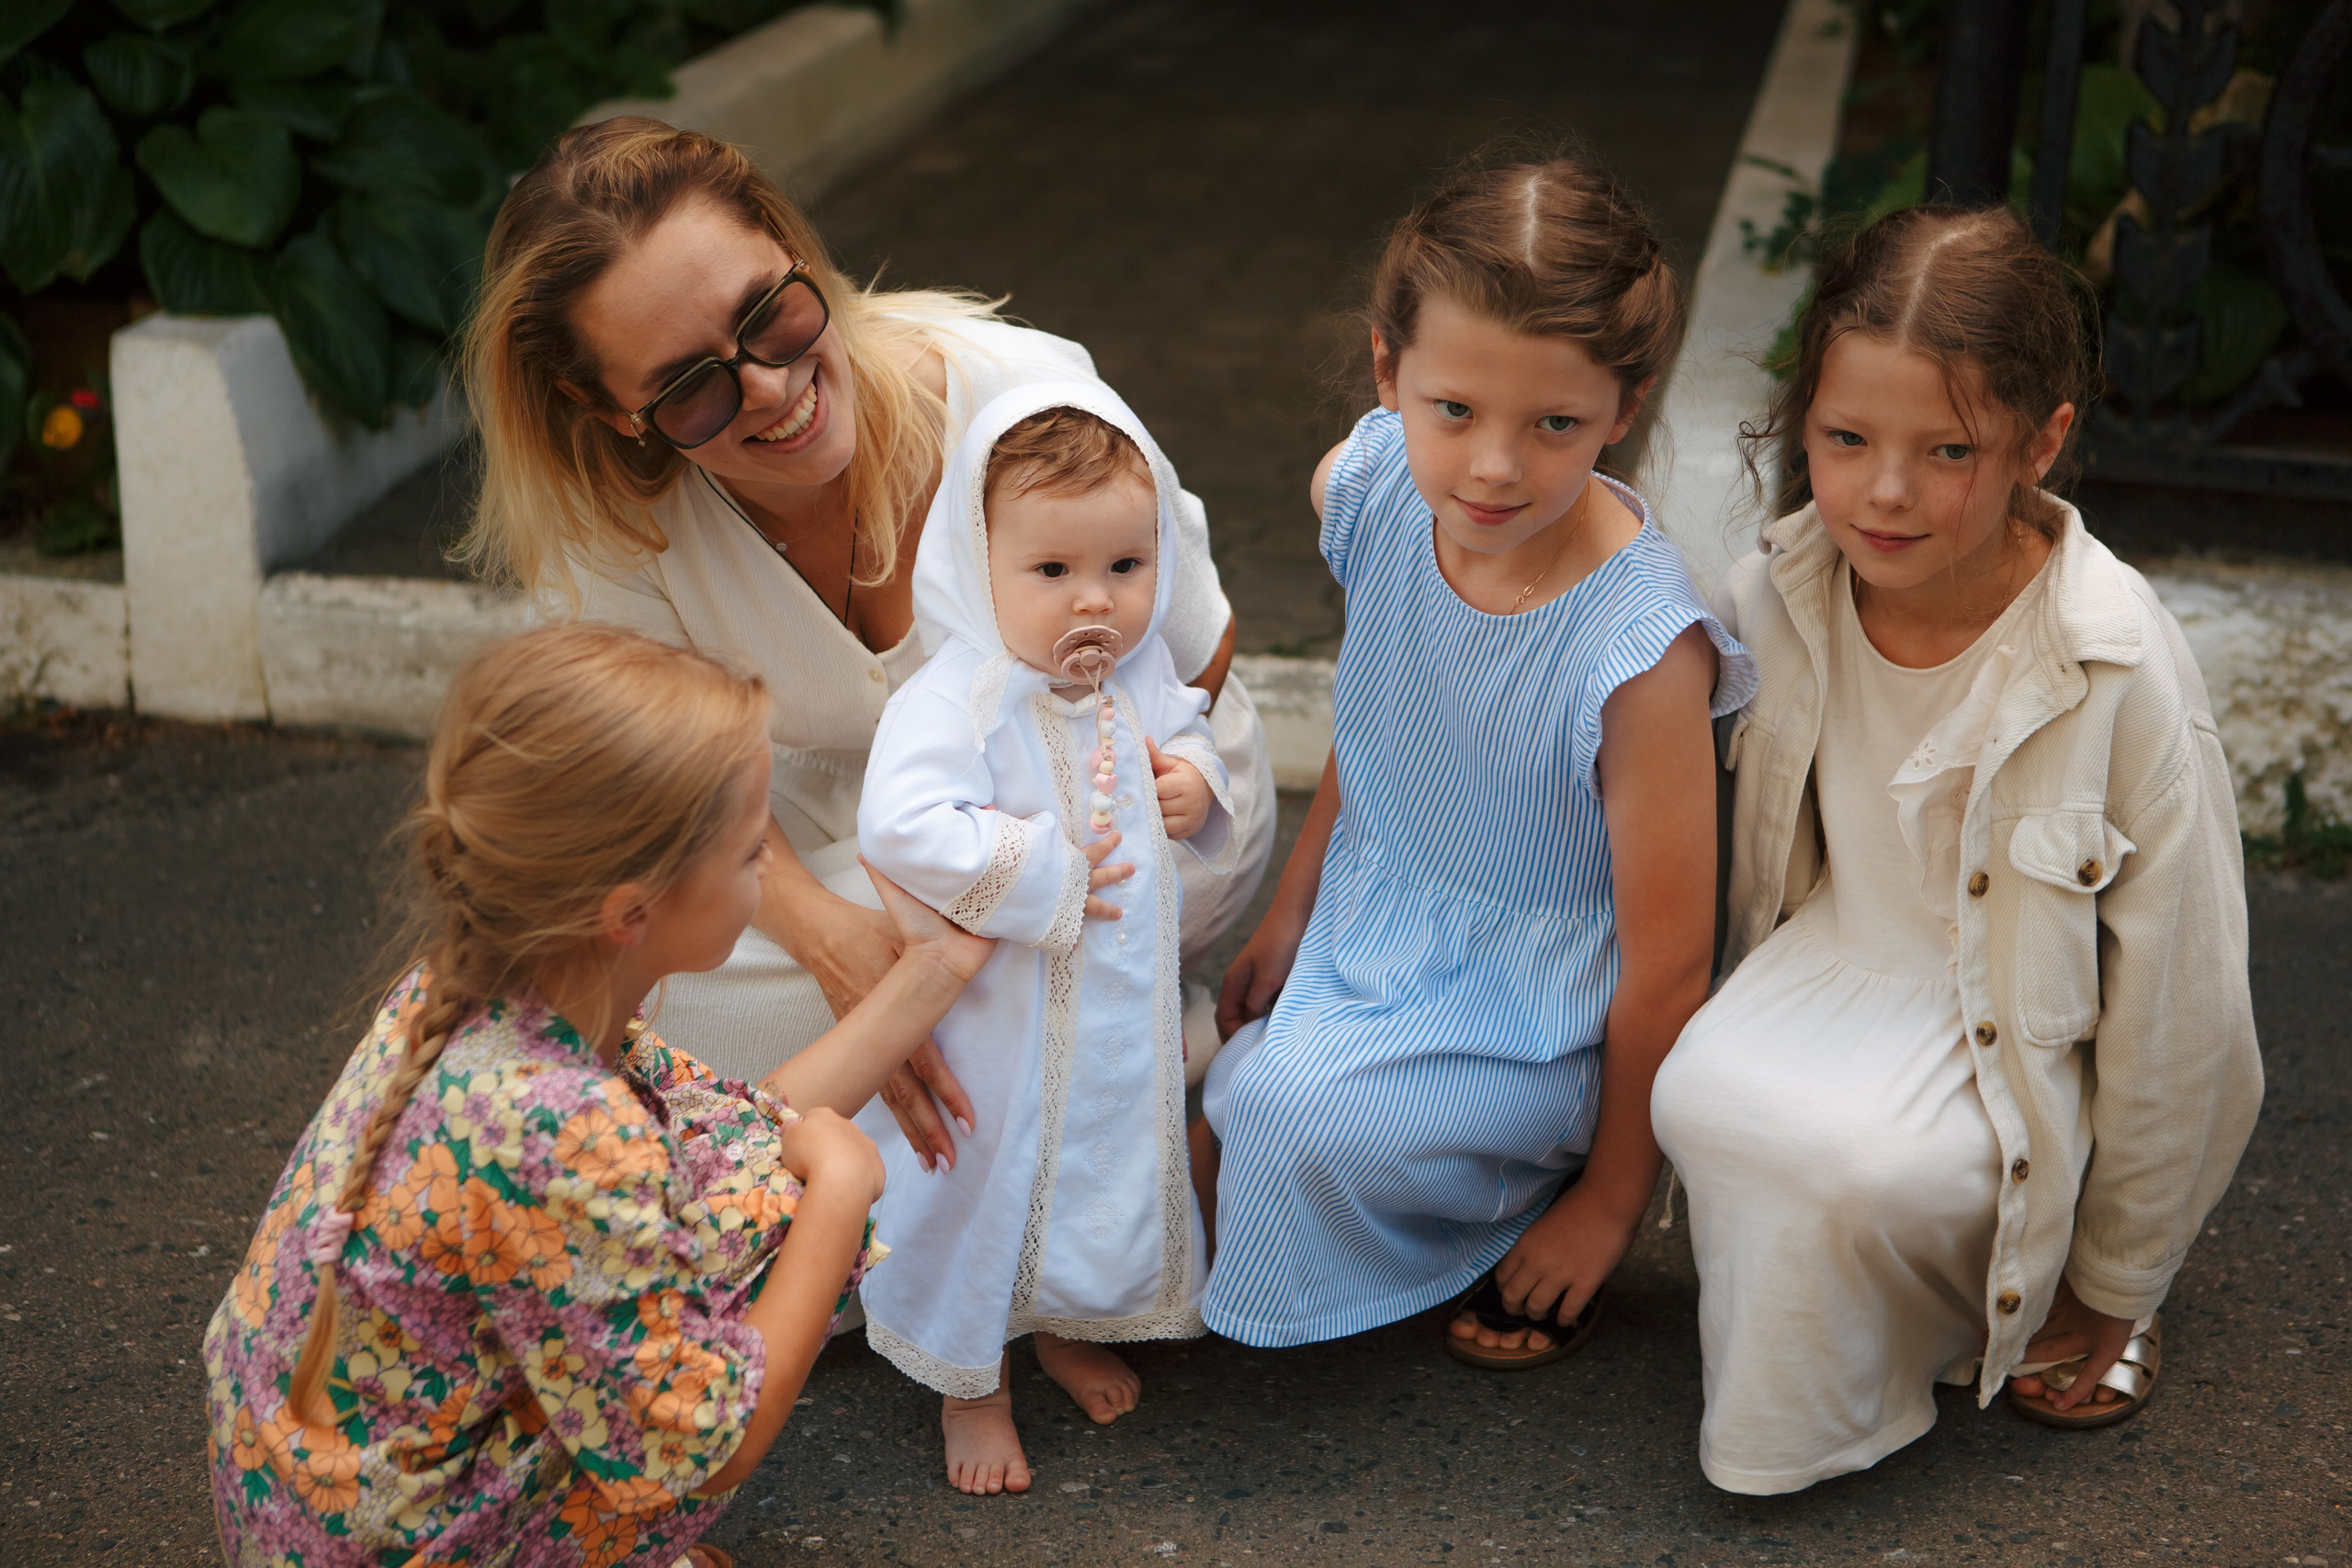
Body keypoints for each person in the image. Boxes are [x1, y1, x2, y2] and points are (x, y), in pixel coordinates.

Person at [458, 117, 1274, 1163]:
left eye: (770, 312)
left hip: (1113, 793)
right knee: (607, 963)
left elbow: (1198, 648)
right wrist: (827, 936)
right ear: (607, 409)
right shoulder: (614, 527)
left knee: (711, 1031)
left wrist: (958, 906)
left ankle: (928, 1149)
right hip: (845, 815)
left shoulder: (1020, 397)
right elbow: (677, 783)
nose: (767, 386)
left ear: (796, 250)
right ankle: (1131, 1058)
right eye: (688, 387)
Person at [1650, 205, 2263, 1495]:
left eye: (1948, 450)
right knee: (1704, 1093)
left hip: (2017, 1023)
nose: (1885, 489)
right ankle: (1883, 1325)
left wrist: (2119, 1277)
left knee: (1863, 1162)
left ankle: (2029, 1282)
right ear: (1802, 418)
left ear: (2044, 441)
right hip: (1837, 954)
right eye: (1846, 438)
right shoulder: (1778, 590)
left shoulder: (2115, 663)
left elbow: (2185, 1010)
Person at [202, 625, 991, 1567]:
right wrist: (842, 1194)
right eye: (751, 856)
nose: (767, 871)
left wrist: (934, 969)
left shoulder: (475, 988)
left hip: (303, 1496)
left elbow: (745, 1123)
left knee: (729, 1183)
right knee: (768, 1227)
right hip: (396, 1547)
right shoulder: (557, 1127)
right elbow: (710, 1448)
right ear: (629, 912)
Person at [1200, 156, 1755, 1366]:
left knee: (1278, 1118)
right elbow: (1386, 719)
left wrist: (1607, 1207)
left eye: (1555, 423)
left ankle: (1524, 1182)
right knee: (1171, 1069)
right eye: (1454, 409)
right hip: (1371, 927)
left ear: (1624, 408)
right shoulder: (1375, 487)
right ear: (1389, 369)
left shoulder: (1642, 648)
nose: (1494, 468)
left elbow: (1667, 966)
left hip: (1527, 1011)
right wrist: (1290, 912)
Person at [857, 384, 1238, 1494]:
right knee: (988, 1179)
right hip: (1002, 1016)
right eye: (1052, 573)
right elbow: (903, 825)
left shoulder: (1140, 670)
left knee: (1104, 1162)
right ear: (980, 566)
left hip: (1117, 1004)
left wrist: (1193, 785)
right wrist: (1043, 868)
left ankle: (1069, 1318)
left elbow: (1186, 728)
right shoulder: (961, 696)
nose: (1096, 604)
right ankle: (971, 1381)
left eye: (1124, 568)